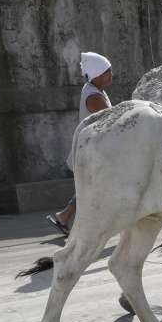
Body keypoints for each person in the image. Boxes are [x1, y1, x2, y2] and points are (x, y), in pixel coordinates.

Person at [46, 52, 113, 236]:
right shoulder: (94, 97)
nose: (111, 76)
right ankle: (72, 219)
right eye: (107, 72)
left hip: (94, 150)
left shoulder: (95, 90)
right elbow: (112, 119)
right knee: (95, 187)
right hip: (93, 152)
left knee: (92, 187)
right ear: (96, 75)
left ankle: (64, 216)